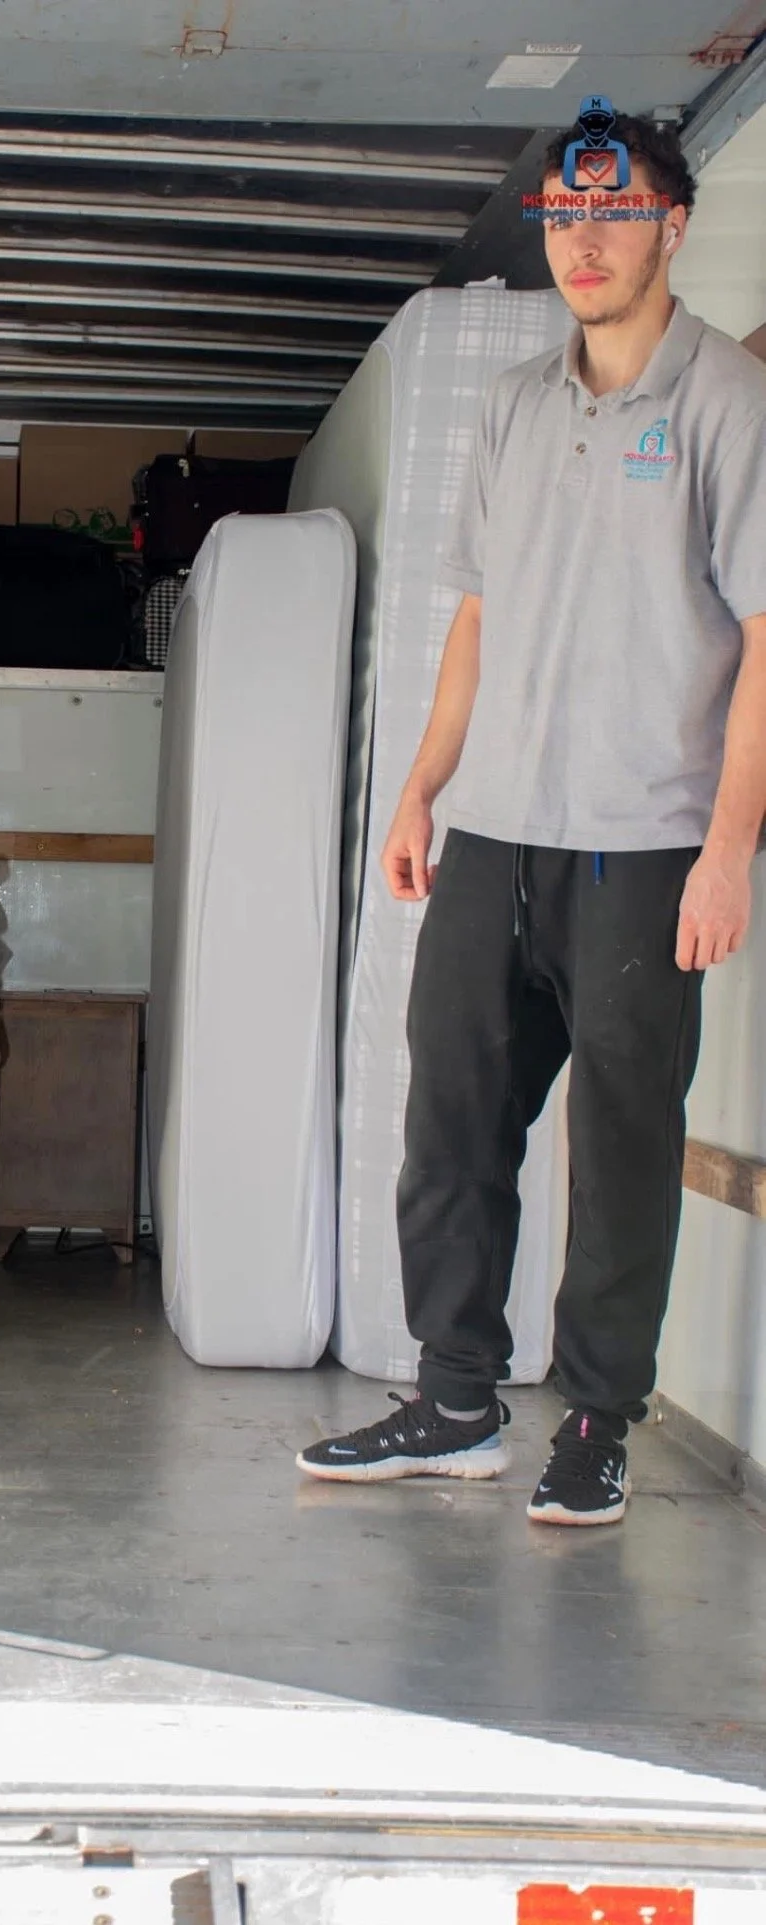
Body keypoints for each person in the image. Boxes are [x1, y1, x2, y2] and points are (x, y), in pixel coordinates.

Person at [297, 114, 766, 1524]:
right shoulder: (507, 402)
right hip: (493, 837)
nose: (584, 238)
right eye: (563, 217)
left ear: (670, 227)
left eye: (612, 213)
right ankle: (451, 1399)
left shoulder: (726, 405)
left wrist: (726, 848)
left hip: (643, 847)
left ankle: (596, 1422)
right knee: (449, 1125)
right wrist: (423, 783)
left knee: (621, 1144)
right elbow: (477, 620)